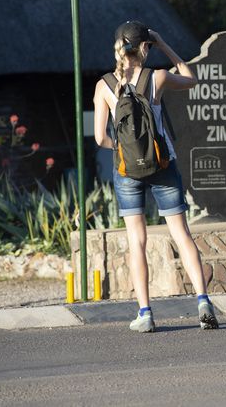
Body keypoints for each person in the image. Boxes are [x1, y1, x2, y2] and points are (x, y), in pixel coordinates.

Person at [93, 20, 219, 331]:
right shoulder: (158, 78)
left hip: (126, 172)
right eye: (150, 46)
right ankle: (203, 300)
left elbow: (99, 138)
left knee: (137, 241)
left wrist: (123, 152)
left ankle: (146, 313)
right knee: (181, 234)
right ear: (145, 48)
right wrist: (165, 46)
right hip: (163, 166)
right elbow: (192, 79)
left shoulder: (104, 85)